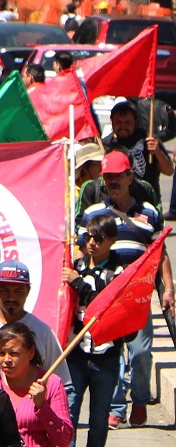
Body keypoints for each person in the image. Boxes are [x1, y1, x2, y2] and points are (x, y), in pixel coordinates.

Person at [74, 149, 174, 426]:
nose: (113, 181)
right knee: (112, 353)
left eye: (119, 175)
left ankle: (139, 399)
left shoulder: (149, 212)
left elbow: (161, 251)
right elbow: (81, 251)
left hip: (138, 296)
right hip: (103, 295)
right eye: (108, 176)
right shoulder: (93, 213)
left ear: (130, 176)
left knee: (141, 354)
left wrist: (168, 289)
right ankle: (117, 408)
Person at [64, 214, 127, 445]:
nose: (91, 243)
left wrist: (77, 283)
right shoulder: (76, 266)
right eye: (88, 237)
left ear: (112, 240)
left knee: (99, 419)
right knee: (68, 414)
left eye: (99, 239)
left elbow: (107, 307)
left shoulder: (118, 271)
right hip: (75, 353)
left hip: (105, 357)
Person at [0, 261, 72, 392]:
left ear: (28, 290)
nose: (11, 297)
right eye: (4, 290)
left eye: (18, 291)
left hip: (28, 410)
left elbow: (63, 387)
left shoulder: (43, 333)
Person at [0, 323, 71, 447]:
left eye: (14, 353)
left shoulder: (52, 383)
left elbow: (64, 440)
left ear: (31, 352)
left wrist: (42, 406)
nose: (6, 359)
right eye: (1, 353)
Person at [99, 101, 172, 204]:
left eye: (127, 122)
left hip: (147, 202)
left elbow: (169, 171)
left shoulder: (149, 140)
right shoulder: (105, 146)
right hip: (116, 205)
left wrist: (158, 152)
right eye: (118, 122)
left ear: (136, 121)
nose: (123, 126)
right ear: (111, 121)